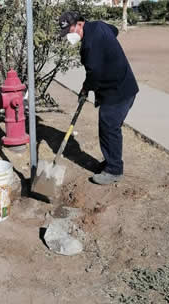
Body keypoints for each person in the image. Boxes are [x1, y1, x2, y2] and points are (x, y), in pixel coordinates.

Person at [58, 11, 140, 185]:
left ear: (80, 23)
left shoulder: (90, 45)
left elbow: (94, 72)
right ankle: (111, 160)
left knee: (109, 127)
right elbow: (114, 30)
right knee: (108, 127)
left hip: (117, 91)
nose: (69, 36)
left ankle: (114, 170)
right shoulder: (99, 26)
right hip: (123, 85)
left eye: (70, 31)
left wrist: (86, 88)